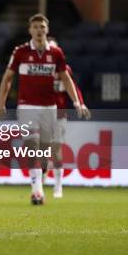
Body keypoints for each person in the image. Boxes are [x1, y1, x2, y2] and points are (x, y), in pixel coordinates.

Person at [0, 14, 90, 205]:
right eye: (36, 27)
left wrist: (77, 103)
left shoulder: (56, 54)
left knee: (45, 151)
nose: (39, 30)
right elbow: (7, 78)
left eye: (42, 27)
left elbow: (66, 79)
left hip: (50, 108)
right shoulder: (20, 52)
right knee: (32, 145)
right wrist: (1, 103)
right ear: (30, 30)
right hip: (27, 106)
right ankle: (37, 191)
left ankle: (42, 174)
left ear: (47, 30)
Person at [46, 36, 90, 198]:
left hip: (59, 113)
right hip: (40, 112)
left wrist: (80, 103)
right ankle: (39, 183)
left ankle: (58, 185)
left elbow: (74, 88)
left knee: (55, 149)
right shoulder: (38, 69)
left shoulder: (65, 70)